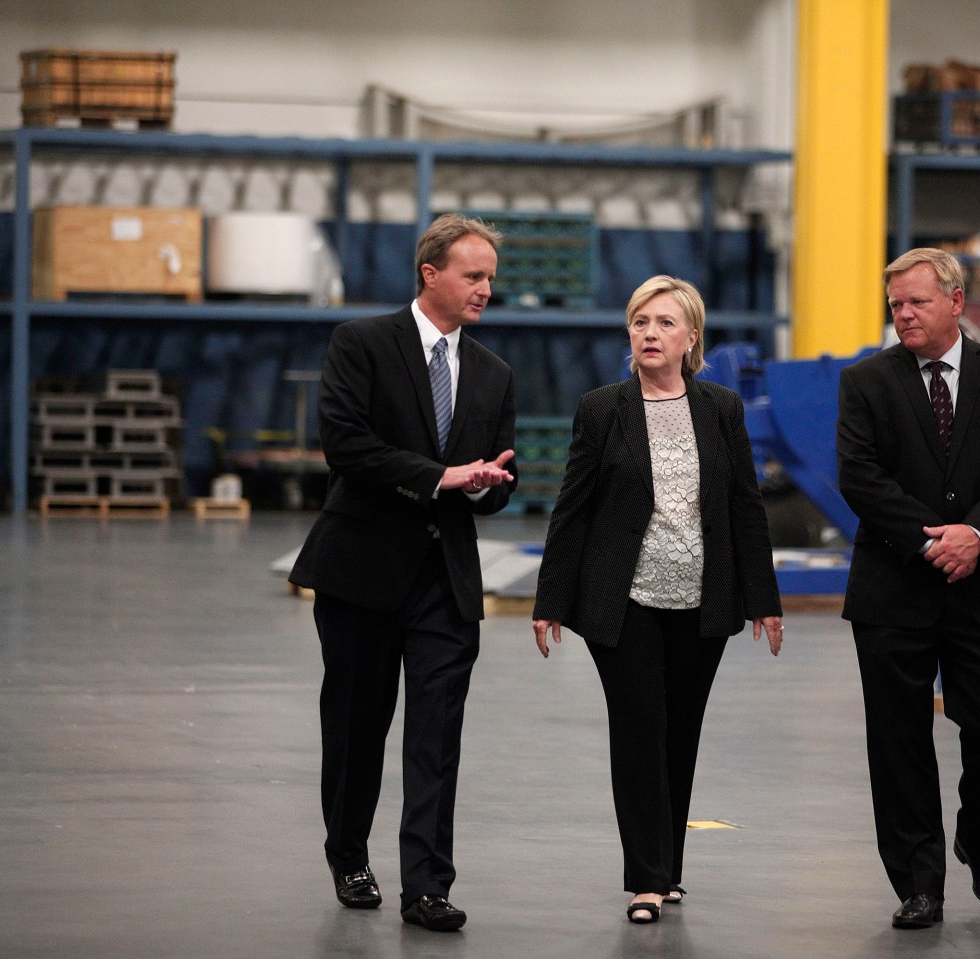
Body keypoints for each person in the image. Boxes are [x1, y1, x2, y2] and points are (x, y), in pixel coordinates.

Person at [531, 275, 784, 925]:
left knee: (680, 732)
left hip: (703, 600)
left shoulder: (722, 408)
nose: (650, 333)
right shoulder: (602, 408)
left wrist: (764, 598)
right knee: (640, 731)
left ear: (691, 337)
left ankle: (667, 868)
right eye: (640, 322)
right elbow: (572, 508)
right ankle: (646, 879)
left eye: (665, 322)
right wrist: (550, 599)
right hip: (624, 600)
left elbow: (745, 506)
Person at [289, 214, 517, 932]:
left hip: (445, 580)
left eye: (489, 278)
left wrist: (483, 486)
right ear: (431, 274)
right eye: (473, 276)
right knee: (357, 725)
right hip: (362, 571)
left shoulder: (494, 372)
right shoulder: (361, 343)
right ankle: (349, 855)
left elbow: (498, 477)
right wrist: (440, 476)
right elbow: (346, 445)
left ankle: (426, 885)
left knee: (435, 737)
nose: (485, 289)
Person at [835, 248, 980, 930]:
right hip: (895, 586)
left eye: (917, 302)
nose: (904, 314)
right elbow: (859, 474)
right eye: (895, 304)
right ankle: (920, 883)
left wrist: (975, 535)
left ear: (956, 301)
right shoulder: (866, 381)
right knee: (898, 740)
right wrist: (929, 541)